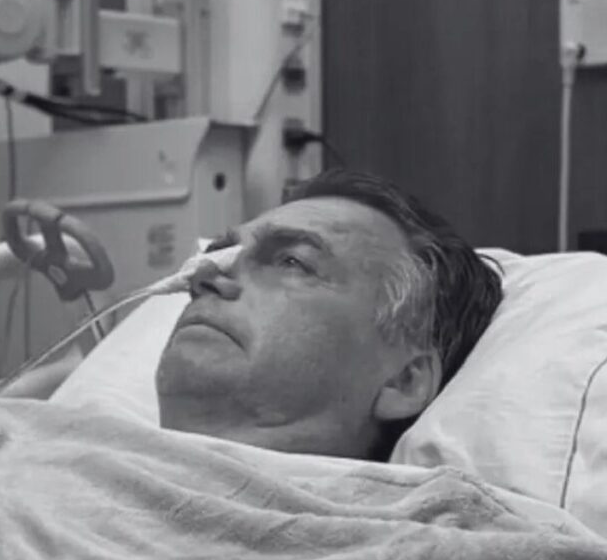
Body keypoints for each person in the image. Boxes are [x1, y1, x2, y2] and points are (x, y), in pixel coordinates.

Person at [155, 168, 503, 461]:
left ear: (404, 381)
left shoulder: (443, 523)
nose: (204, 278)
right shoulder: (119, 464)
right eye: (219, 256)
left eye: (292, 261)